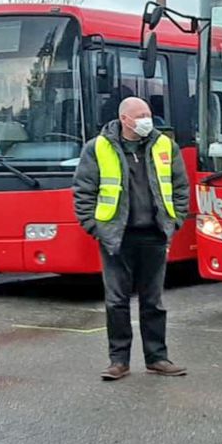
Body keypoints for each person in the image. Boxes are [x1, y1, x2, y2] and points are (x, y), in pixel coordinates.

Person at [73, 97, 191, 381]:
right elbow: (83, 190)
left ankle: (157, 357)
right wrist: (94, 227)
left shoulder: (164, 145)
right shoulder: (98, 148)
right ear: (124, 119)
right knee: (116, 301)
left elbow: (180, 187)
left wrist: (174, 223)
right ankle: (119, 361)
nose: (146, 120)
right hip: (116, 237)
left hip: (154, 234)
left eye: (148, 114)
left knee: (154, 301)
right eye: (140, 115)